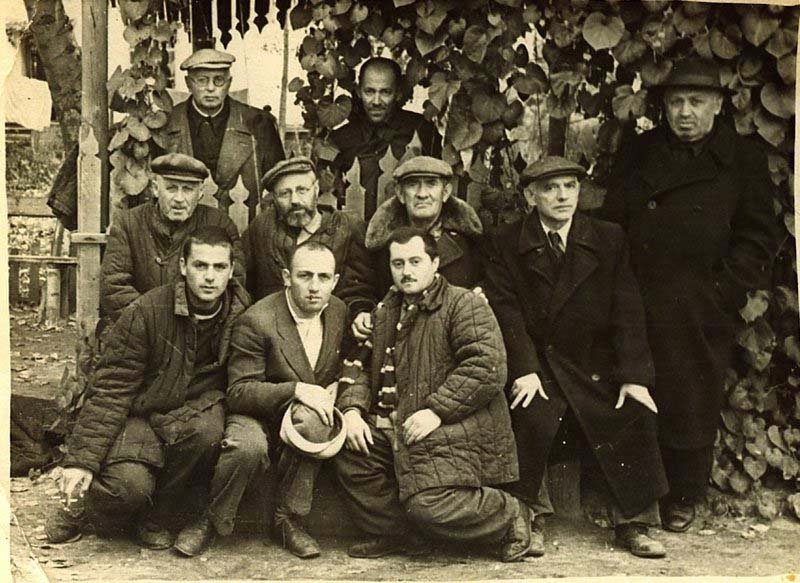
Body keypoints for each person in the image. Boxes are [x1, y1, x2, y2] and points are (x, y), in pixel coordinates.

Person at [601, 58, 779, 532]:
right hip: (639, 292)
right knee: (637, 383)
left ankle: (684, 494)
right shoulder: (639, 151)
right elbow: (613, 218)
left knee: (690, 394)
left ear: (718, 105)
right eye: (676, 102)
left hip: (700, 299)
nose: (684, 112)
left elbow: (759, 235)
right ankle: (639, 494)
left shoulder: (742, 158)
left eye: (696, 102)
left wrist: (724, 290)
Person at [484, 156, 669, 558]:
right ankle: (529, 516)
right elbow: (505, 310)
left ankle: (633, 521)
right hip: (541, 366)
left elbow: (627, 307)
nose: (562, 196)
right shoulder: (506, 241)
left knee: (632, 408)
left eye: (570, 186)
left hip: (594, 365)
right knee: (530, 415)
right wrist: (525, 369)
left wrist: (633, 375)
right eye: (550, 188)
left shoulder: (607, 237)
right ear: (530, 195)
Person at [46, 227, 250, 556]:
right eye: (200, 266)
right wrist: (82, 461)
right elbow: (112, 388)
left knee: (209, 431)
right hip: (141, 414)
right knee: (127, 487)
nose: (209, 277)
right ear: (183, 267)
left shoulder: (241, 315)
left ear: (231, 270)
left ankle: (155, 518)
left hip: (192, 414)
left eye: (218, 267)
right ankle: (86, 510)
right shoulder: (148, 311)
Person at [334, 228, 533, 562]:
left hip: (454, 430)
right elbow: (359, 365)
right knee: (349, 452)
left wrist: (436, 411)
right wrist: (352, 410)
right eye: (398, 263)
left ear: (435, 263)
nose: (406, 271)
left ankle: (510, 514)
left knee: (427, 505)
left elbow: (488, 366)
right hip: (398, 427)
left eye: (415, 261)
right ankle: (399, 535)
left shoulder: (463, 304)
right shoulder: (386, 309)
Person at [221, 242, 347, 559]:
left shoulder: (339, 311)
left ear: (335, 281)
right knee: (248, 445)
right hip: (259, 412)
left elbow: (350, 362)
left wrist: (338, 389)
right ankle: (212, 519)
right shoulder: (258, 320)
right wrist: (296, 390)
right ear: (287, 277)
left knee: (317, 421)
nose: (315, 287)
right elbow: (239, 392)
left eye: (323, 277)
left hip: (305, 415)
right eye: (305, 276)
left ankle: (287, 519)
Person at [352, 155, 484, 340]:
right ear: (400, 193)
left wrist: (481, 294)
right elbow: (358, 286)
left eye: (431, 184)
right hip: (394, 338)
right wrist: (361, 311)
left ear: (445, 192)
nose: (422, 194)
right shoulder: (378, 241)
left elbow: (488, 282)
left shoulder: (470, 241)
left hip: (452, 338)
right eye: (413, 185)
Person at [100, 153, 245, 321]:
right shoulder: (129, 223)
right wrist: (159, 323)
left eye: (188, 189)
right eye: (171, 188)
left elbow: (236, 285)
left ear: (200, 193)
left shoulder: (219, 223)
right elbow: (114, 286)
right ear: (155, 189)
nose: (179, 199)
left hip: (201, 328)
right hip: (141, 328)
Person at [242, 156, 376, 321]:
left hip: (330, 329)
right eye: (285, 193)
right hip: (272, 330)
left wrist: (358, 313)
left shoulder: (347, 228)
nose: (295, 201)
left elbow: (359, 289)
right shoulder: (262, 227)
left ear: (316, 189)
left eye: (302, 190)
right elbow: (243, 282)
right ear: (274, 199)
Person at [163, 48, 285, 224]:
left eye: (218, 80)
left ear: (229, 83)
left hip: (244, 225)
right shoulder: (167, 123)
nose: (211, 88)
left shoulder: (259, 123)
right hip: (182, 230)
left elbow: (278, 187)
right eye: (202, 81)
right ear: (188, 83)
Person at [330, 57, 442, 220]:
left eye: (385, 92)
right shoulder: (341, 139)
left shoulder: (421, 130)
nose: (376, 101)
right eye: (369, 91)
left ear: (398, 93)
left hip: (409, 233)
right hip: (355, 233)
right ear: (359, 92)